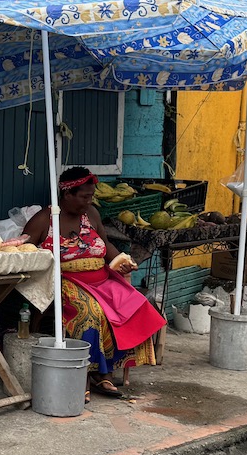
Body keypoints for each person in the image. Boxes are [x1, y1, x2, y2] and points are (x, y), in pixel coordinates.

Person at [23, 166, 167, 398]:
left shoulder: (91, 214)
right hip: (65, 280)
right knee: (90, 312)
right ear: (67, 194)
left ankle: (104, 373)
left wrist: (121, 260)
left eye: (91, 196)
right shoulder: (44, 219)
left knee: (133, 304)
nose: (88, 201)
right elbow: (25, 251)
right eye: (84, 196)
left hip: (102, 278)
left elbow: (105, 244)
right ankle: (82, 375)